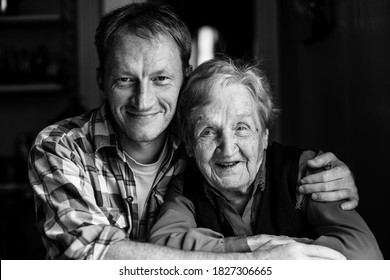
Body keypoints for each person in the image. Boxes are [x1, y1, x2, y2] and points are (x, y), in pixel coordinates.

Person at [29, 3, 358, 260]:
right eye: (125, 79)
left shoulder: (201, 137)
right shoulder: (61, 147)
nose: (143, 100)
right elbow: (90, 255)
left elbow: (256, 153)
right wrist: (254, 256)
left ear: (185, 77)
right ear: (102, 80)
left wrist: (325, 175)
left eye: (161, 78)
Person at [148, 57, 383, 259]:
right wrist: (256, 248)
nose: (228, 150)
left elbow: (365, 255)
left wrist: (285, 254)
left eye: (242, 128)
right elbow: (161, 252)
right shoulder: (184, 187)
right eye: (208, 132)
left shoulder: (304, 169)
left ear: (264, 137)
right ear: (189, 144)